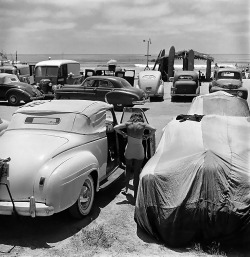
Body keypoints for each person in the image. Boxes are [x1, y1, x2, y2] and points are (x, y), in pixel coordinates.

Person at [114, 112, 156, 199]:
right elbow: (154, 129)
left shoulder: (128, 124)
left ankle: (126, 189)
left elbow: (115, 127)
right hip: (139, 151)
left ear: (132, 117)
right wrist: (148, 136)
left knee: (128, 168)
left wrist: (123, 134)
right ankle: (136, 195)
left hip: (129, 149)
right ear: (140, 118)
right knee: (136, 173)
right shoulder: (143, 125)